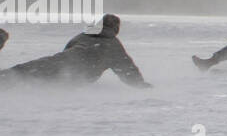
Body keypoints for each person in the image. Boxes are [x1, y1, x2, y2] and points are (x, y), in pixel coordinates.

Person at [0, 14, 150, 87]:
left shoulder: (82, 35)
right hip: (77, 75)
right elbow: (127, 70)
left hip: (59, 61)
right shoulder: (113, 45)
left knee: (24, 72)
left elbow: (67, 48)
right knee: (42, 83)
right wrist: (141, 85)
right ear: (115, 29)